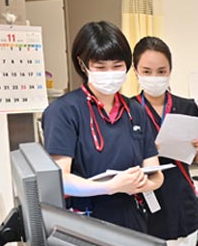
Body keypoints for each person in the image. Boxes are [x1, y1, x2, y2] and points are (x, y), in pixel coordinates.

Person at [42, 21, 162, 232]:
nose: (110, 73)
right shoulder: (64, 111)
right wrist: (111, 187)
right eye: (100, 67)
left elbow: (156, 173)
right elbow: (61, 179)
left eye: (117, 66)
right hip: (87, 220)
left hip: (132, 217)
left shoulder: (135, 111)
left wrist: (141, 185)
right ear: (83, 65)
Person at [131, 36, 198, 246]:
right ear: (135, 71)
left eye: (161, 70)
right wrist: (145, 150)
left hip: (180, 197)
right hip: (146, 199)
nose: (155, 77)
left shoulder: (186, 106)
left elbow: (197, 157)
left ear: (170, 70)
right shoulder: (130, 109)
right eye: (147, 70)